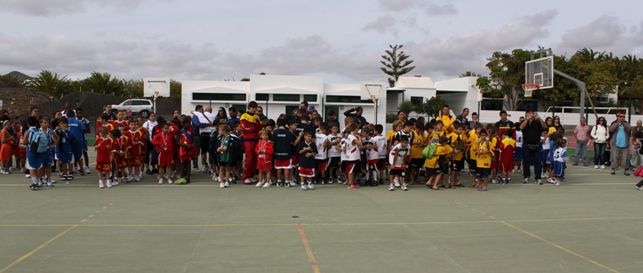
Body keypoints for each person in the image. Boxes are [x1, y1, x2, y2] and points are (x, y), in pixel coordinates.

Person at [519, 110, 545, 184]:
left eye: (532, 113)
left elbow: (545, 126)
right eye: (529, 113)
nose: (531, 115)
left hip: (537, 144)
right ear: (526, 115)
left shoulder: (537, 121)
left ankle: (538, 178)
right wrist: (527, 119)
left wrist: (539, 118)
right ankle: (526, 177)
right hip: (526, 145)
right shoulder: (524, 122)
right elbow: (521, 127)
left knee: (538, 162)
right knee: (526, 162)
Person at [240, 101, 263, 184]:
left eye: (255, 108)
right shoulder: (244, 116)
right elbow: (243, 129)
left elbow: (260, 127)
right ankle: (245, 177)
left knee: (255, 159)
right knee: (249, 159)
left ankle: (251, 176)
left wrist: (256, 124)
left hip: (256, 140)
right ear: (249, 108)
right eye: (253, 108)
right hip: (248, 141)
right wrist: (253, 128)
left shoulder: (257, 116)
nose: (254, 109)